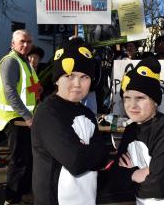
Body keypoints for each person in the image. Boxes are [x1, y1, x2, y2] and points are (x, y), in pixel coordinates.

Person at [31, 37, 109, 205]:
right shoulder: (48, 112)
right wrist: (96, 151)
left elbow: (102, 157)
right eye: (70, 76)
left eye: (84, 77)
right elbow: (76, 161)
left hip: (85, 197)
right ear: (57, 79)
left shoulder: (87, 113)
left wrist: (94, 152)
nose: (77, 84)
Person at [116, 56, 164, 204]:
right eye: (127, 97)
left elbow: (160, 186)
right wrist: (135, 174)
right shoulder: (131, 129)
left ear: (155, 101)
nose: (132, 105)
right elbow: (116, 177)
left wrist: (129, 178)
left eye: (140, 98)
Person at [0, 30, 40, 205]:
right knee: (18, 161)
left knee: (27, 158)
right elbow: (11, 93)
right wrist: (28, 117)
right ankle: (11, 198)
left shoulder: (24, 61)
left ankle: (23, 193)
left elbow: (30, 90)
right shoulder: (11, 61)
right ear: (13, 43)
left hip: (24, 119)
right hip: (15, 120)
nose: (26, 45)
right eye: (22, 41)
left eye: (29, 42)